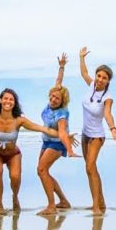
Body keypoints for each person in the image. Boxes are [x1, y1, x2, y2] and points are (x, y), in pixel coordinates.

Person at [77, 46, 116, 215]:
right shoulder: (91, 85)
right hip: (85, 134)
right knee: (91, 169)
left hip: (97, 136)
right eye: (99, 76)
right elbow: (83, 73)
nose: (100, 79)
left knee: (90, 167)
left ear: (108, 80)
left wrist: (113, 129)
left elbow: (107, 114)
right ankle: (100, 202)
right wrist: (81, 57)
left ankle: (96, 206)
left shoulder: (108, 97)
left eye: (104, 78)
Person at [35, 54, 79, 215]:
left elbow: (62, 133)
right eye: (52, 96)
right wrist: (62, 67)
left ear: (62, 100)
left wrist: (70, 150)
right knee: (41, 171)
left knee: (42, 169)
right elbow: (58, 82)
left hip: (57, 143)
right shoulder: (50, 103)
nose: (53, 99)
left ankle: (52, 206)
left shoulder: (62, 114)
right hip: (46, 141)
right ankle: (64, 201)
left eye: (57, 98)